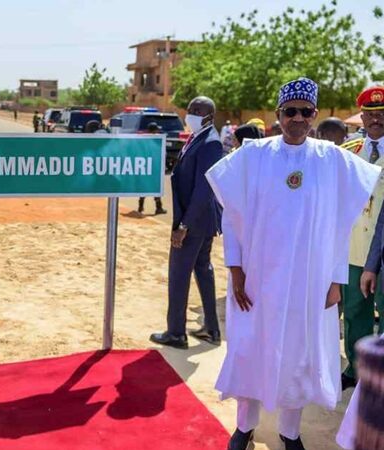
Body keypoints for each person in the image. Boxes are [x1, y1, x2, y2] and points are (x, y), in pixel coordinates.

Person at [205, 77, 381, 450]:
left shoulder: (332, 159)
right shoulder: (252, 156)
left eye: (305, 111)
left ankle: (289, 432)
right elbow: (232, 216)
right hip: (257, 282)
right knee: (252, 350)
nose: (297, 118)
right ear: (278, 114)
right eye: (290, 111)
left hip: (308, 284)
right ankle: (244, 427)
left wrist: (335, 280)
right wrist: (235, 269)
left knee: (297, 357)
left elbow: (340, 225)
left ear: (314, 115)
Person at [149, 96, 224, 350]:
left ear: (209, 116)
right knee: (203, 269)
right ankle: (211, 328)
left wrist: (184, 225)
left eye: (197, 110)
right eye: (190, 109)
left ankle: (176, 332)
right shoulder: (200, 137)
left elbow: (204, 189)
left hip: (194, 222)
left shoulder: (210, 143)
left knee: (179, 274)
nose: (190, 113)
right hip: (199, 220)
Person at [339, 85, 384, 391]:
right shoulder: (351, 151)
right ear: (362, 117)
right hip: (356, 248)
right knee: (355, 313)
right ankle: (356, 370)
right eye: (370, 115)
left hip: (382, 248)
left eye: (381, 115)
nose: (375, 120)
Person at [138, 122, 167, 215]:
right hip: (153, 165)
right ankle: (158, 208)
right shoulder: (156, 139)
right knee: (155, 186)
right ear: (154, 130)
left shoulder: (144, 139)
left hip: (145, 165)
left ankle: (140, 207)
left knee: (145, 186)